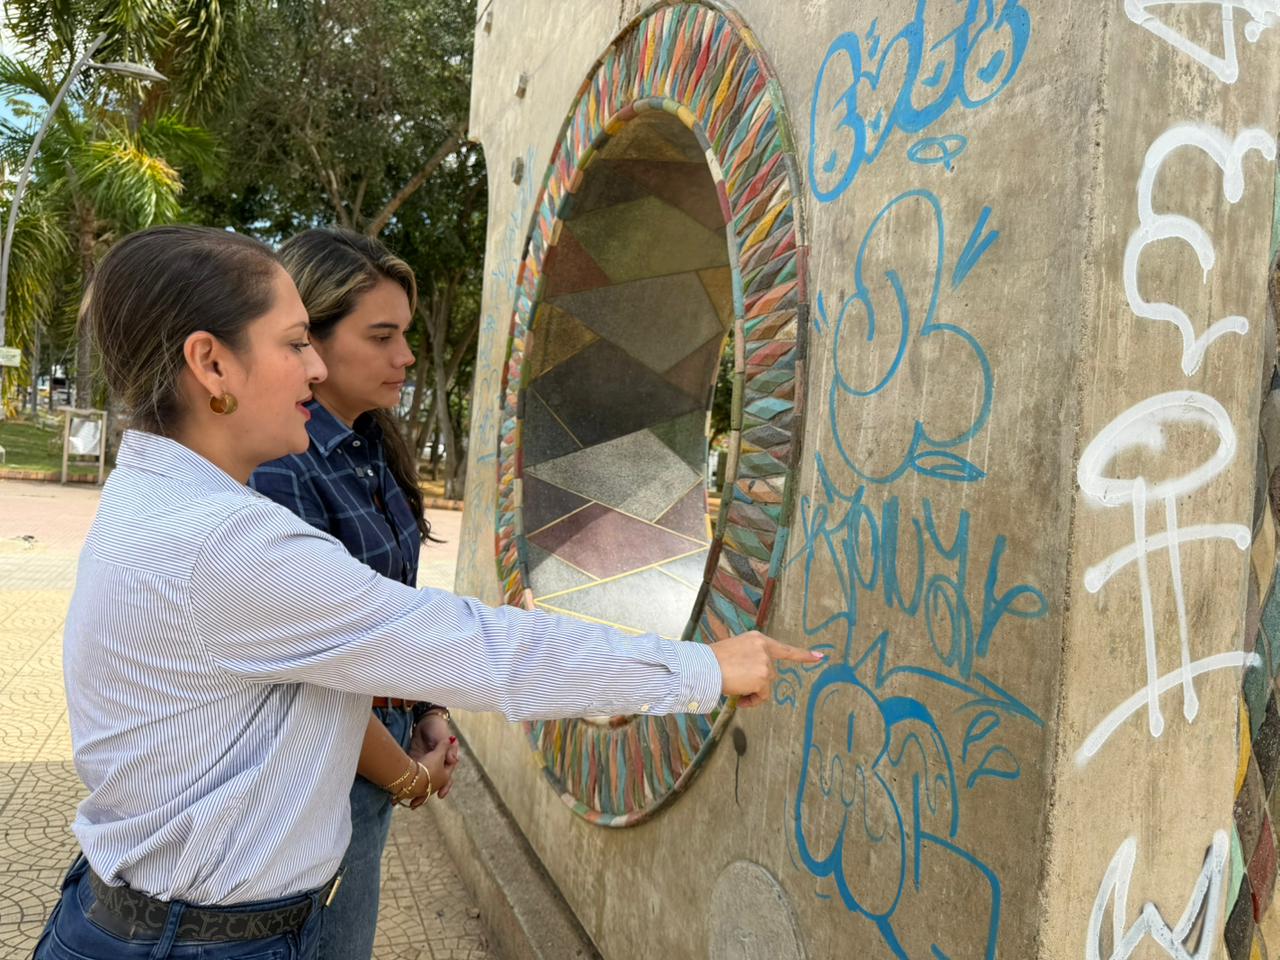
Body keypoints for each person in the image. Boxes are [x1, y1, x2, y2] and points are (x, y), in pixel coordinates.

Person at [36, 224, 821, 960]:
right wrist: (704, 670)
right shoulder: (225, 543)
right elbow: (474, 649)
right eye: (293, 343)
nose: (313, 367)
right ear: (210, 364)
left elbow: (400, 643)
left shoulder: (163, 500)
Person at [249, 228, 449, 960]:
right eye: (382, 335)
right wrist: (409, 779)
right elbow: (311, 667)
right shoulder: (281, 468)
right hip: (328, 765)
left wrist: (428, 707)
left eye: (407, 335)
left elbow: (392, 611)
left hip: (379, 749)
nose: (406, 357)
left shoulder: (369, 445)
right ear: (311, 339)